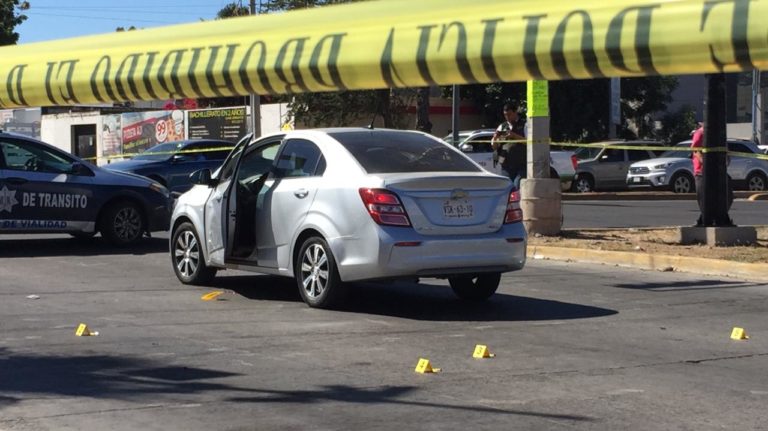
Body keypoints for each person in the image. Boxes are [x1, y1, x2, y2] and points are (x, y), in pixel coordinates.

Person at [691, 122, 733, 226]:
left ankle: (722, 217)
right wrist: (704, 162)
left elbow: (725, 150)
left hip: (718, 171)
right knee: (704, 197)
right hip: (701, 171)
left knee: (727, 193)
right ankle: (704, 220)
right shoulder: (700, 133)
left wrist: (726, 158)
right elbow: (695, 149)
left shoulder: (720, 134)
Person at [491, 103, 527, 187]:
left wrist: (514, 136)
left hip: (521, 164)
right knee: (507, 187)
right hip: (506, 165)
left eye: (509, 114)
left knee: (517, 185)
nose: (507, 117)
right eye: (505, 115)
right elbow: (494, 146)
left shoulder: (524, 124)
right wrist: (495, 139)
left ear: (515, 112)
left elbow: (529, 142)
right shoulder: (502, 126)